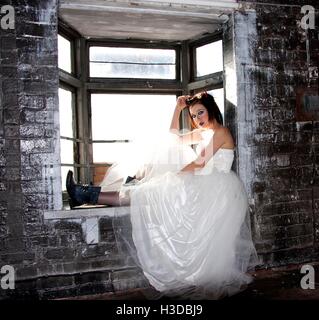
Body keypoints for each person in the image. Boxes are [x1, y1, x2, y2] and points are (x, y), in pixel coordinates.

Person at [66, 92, 259, 299]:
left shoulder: (221, 132)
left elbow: (200, 162)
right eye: (193, 116)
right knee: (145, 189)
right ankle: (86, 193)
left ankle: (86, 194)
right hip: (200, 183)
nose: (197, 119)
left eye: (200, 113)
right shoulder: (202, 133)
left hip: (216, 189)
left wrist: (173, 176)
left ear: (211, 110)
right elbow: (173, 138)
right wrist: (178, 109)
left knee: (146, 193)